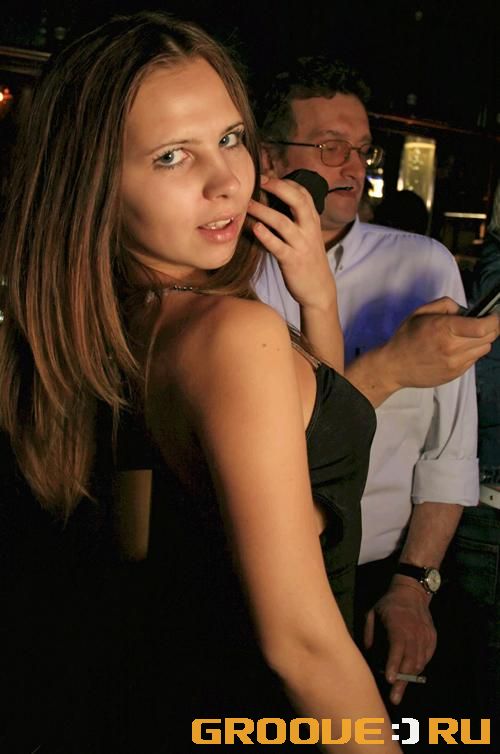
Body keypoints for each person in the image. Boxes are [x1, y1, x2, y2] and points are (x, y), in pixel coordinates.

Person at [0, 12, 405, 752]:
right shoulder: (231, 336)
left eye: (229, 138)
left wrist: (317, 299)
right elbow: (303, 647)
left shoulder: (103, 325)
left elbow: (304, 463)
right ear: (92, 181)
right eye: (171, 157)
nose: (226, 182)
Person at [254, 55, 499, 708]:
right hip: (254, 577)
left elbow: (449, 453)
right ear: (268, 158)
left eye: (362, 149)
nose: (353, 167)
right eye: (330, 146)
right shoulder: (228, 275)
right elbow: (266, 462)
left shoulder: (423, 263)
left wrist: (413, 587)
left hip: (385, 575)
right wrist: (388, 368)